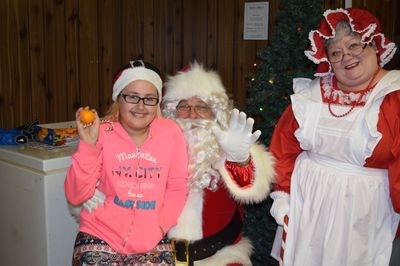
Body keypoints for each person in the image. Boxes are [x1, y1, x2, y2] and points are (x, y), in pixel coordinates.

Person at [268, 8, 400, 266]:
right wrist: (282, 196)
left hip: (364, 214)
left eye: (354, 45)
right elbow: (283, 149)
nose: (346, 56)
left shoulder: (393, 96)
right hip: (308, 206)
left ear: (375, 46)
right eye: (335, 52)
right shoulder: (311, 95)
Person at [64, 59, 188, 265]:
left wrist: (161, 225)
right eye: (132, 96)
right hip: (100, 234)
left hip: (153, 237)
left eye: (149, 98)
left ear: (157, 102)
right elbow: (75, 195)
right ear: (118, 99)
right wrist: (88, 145)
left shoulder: (171, 133)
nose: (141, 106)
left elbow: (177, 187)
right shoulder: (102, 132)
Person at [161, 62, 275, 265]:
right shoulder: (156, 148)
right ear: (172, 112)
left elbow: (252, 189)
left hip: (220, 256)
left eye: (202, 107)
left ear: (215, 112)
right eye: (184, 106)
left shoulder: (230, 146)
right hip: (161, 256)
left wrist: (240, 159)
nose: (193, 114)